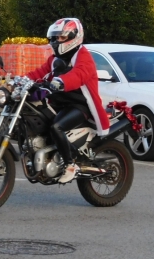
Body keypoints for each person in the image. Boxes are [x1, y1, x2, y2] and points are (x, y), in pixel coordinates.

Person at [25, 18, 110, 183]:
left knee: (57, 127)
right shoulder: (55, 58)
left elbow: (78, 75)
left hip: (80, 104)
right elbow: (39, 72)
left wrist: (61, 82)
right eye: (55, 38)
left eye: (61, 38)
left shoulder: (83, 56)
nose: (57, 42)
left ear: (74, 37)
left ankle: (70, 165)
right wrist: (19, 81)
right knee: (41, 118)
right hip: (60, 102)